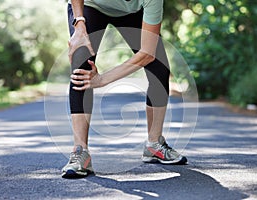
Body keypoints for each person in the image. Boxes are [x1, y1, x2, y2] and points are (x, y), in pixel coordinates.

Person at [62, 0, 187, 179]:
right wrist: (79, 24)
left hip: (131, 12)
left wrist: (102, 79)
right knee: (81, 65)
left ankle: (154, 144)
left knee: (159, 69)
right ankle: (80, 152)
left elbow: (148, 53)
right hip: (91, 6)